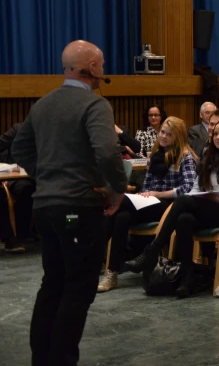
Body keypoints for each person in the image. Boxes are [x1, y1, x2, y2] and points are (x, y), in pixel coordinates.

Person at [10, 40, 128, 366]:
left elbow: (19, 150)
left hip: (44, 208)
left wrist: (45, 176)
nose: (103, 70)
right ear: (91, 68)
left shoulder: (42, 104)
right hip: (78, 206)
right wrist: (116, 188)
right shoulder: (95, 105)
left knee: (53, 284)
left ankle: (42, 360)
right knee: (78, 287)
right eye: (101, 64)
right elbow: (107, 152)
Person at [139, 120, 219, 297]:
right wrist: (197, 196)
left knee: (181, 201)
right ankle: (187, 279)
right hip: (206, 207)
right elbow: (196, 186)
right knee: (183, 220)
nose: (218, 137)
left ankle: (154, 248)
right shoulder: (208, 156)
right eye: (215, 133)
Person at [99, 116, 198, 292]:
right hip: (149, 202)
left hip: (171, 206)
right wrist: (144, 194)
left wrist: (157, 194)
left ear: (179, 136)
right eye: (162, 132)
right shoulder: (155, 155)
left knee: (119, 204)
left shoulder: (185, 157)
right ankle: (111, 273)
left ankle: (91, 252)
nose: (164, 136)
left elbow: (188, 189)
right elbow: (147, 186)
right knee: (122, 216)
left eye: (169, 134)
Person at [0, 123, 36, 252]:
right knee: (26, 189)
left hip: (39, 176)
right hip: (15, 176)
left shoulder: (51, 133)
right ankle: (20, 234)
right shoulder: (18, 130)